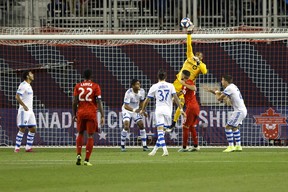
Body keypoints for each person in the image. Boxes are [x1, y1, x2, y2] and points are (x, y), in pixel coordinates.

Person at [170, 21, 208, 131]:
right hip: (177, 81)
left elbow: (205, 71)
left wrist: (199, 62)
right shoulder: (190, 56)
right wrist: (189, 34)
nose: (197, 55)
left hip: (186, 85)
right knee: (169, 99)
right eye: (197, 54)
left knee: (181, 102)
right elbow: (189, 45)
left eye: (199, 56)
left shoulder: (201, 66)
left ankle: (173, 122)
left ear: (201, 58)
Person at [140, 69, 186, 156]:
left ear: (158, 77)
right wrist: (181, 109)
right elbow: (176, 98)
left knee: (160, 131)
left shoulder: (154, 86)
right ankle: (154, 151)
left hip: (159, 110)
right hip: (168, 111)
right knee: (162, 132)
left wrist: (143, 109)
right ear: (166, 77)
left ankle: (165, 150)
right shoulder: (170, 85)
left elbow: (147, 100)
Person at [204, 75, 247, 152]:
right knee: (234, 128)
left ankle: (231, 146)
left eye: (222, 80)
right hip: (242, 110)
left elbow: (219, 98)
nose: (221, 81)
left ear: (226, 81)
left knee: (227, 127)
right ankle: (238, 146)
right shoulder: (232, 86)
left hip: (239, 111)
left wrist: (217, 92)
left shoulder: (229, 88)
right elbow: (222, 94)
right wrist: (211, 91)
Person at [73, 69, 105, 166]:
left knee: (80, 133)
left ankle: (78, 154)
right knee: (90, 136)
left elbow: (75, 102)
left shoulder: (78, 86)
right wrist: (102, 115)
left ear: (83, 76)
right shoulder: (95, 86)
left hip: (81, 113)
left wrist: (75, 114)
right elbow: (99, 102)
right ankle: (86, 160)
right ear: (91, 76)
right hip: (91, 113)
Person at [120, 79, 150, 152]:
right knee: (126, 126)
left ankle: (145, 146)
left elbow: (142, 102)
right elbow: (126, 106)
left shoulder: (142, 91)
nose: (138, 85)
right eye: (137, 84)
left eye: (139, 84)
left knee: (141, 125)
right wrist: (134, 110)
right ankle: (122, 145)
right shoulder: (128, 93)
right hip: (127, 110)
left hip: (135, 110)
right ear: (133, 86)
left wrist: (143, 110)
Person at [177, 70, 200, 152]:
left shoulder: (189, 82)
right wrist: (175, 95)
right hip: (195, 107)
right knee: (190, 126)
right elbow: (182, 92)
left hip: (191, 107)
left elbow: (194, 88)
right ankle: (196, 146)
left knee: (185, 126)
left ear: (183, 75)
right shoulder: (185, 85)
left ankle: (184, 147)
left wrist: (184, 84)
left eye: (181, 74)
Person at [14, 70, 36, 153]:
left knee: (33, 128)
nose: (32, 75)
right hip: (24, 110)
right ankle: (16, 148)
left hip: (30, 110)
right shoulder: (23, 85)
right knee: (22, 128)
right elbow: (17, 96)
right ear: (27, 76)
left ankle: (28, 147)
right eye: (31, 74)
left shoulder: (29, 86)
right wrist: (23, 105)